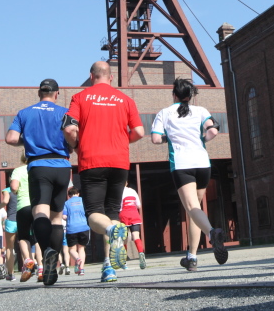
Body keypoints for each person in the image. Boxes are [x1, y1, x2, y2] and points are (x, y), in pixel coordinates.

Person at [62, 61, 144, 283]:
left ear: (91, 76)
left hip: (92, 161)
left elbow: (69, 128)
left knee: (94, 215)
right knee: (113, 213)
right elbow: (139, 131)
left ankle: (110, 233)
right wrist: (121, 141)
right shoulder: (125, 100)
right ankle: (109, 267)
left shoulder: (80, 97)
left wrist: (77, 145)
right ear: (111, 77)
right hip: (119, 162)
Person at [151, 78, 228, 271]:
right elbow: (213, 131)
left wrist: (168, 138)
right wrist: (202, 139)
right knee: (195, 210)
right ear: (190, 96)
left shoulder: (164, 113)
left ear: (174, 94)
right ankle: (191, 257)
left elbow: (155, 139)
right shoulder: (201, 110)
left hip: (182, 164)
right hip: (203, 164)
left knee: (193, 208)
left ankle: (212, 233)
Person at [5, 79, 71, 286]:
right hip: (62, 165)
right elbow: (72, 135)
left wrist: (28, 141)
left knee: (40, 213)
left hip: (39, 165)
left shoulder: (24, 113)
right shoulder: (65, 112)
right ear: (57, 93)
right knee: (57, 217)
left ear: (39, 93)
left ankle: (47, 250)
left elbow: (11, 138)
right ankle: (54, 262)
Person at [10, 153, 42, 282]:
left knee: (23, 237)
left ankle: (28, 260)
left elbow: (14, 187)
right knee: (38, 237)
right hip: (38, 205)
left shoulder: (18, 171)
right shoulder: (37, 168)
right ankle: (41, 267)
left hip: (23, 206)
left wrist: (15, 191)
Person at [63, 187, 90, 276]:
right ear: (78, 193)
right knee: (81, 248)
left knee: (72, 249)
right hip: (83, 226)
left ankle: (77, 259)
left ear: (69, 195)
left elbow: (64, 216)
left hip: (71, 228)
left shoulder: (66, 203)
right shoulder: (83, 200)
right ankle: (81, 269)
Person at [119, 183, 146, 269]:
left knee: (124, 239)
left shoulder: (118, 191)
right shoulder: (133, 191)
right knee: (136, 237)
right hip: (134, 215)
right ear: (126, 183)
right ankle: (141, 253)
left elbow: (119, 207)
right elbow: (139, 205)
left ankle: (124, 261)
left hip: (124, 215)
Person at [0, 185, 18, 281]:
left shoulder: (7, 190)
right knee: (25, 243)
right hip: (23, 219)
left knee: (10, 247)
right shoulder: (24, 188)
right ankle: (30, 269)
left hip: (11, 220)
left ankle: (11, 274)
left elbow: (5, 201)